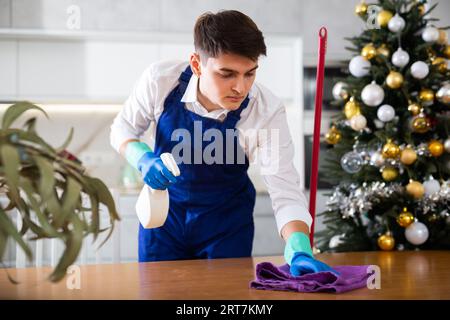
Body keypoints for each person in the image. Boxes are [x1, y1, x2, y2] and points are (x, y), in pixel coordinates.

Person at [110, 10, 337, 276]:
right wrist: (142, 158)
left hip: (226, 227)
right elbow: (122, 129)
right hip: (163, 222)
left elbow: (284, 188)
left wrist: (299, 248)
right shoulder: (161, 81)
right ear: (197, 64)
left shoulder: (266, 110)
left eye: (249, 74)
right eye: (226, 74)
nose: (240, 88)